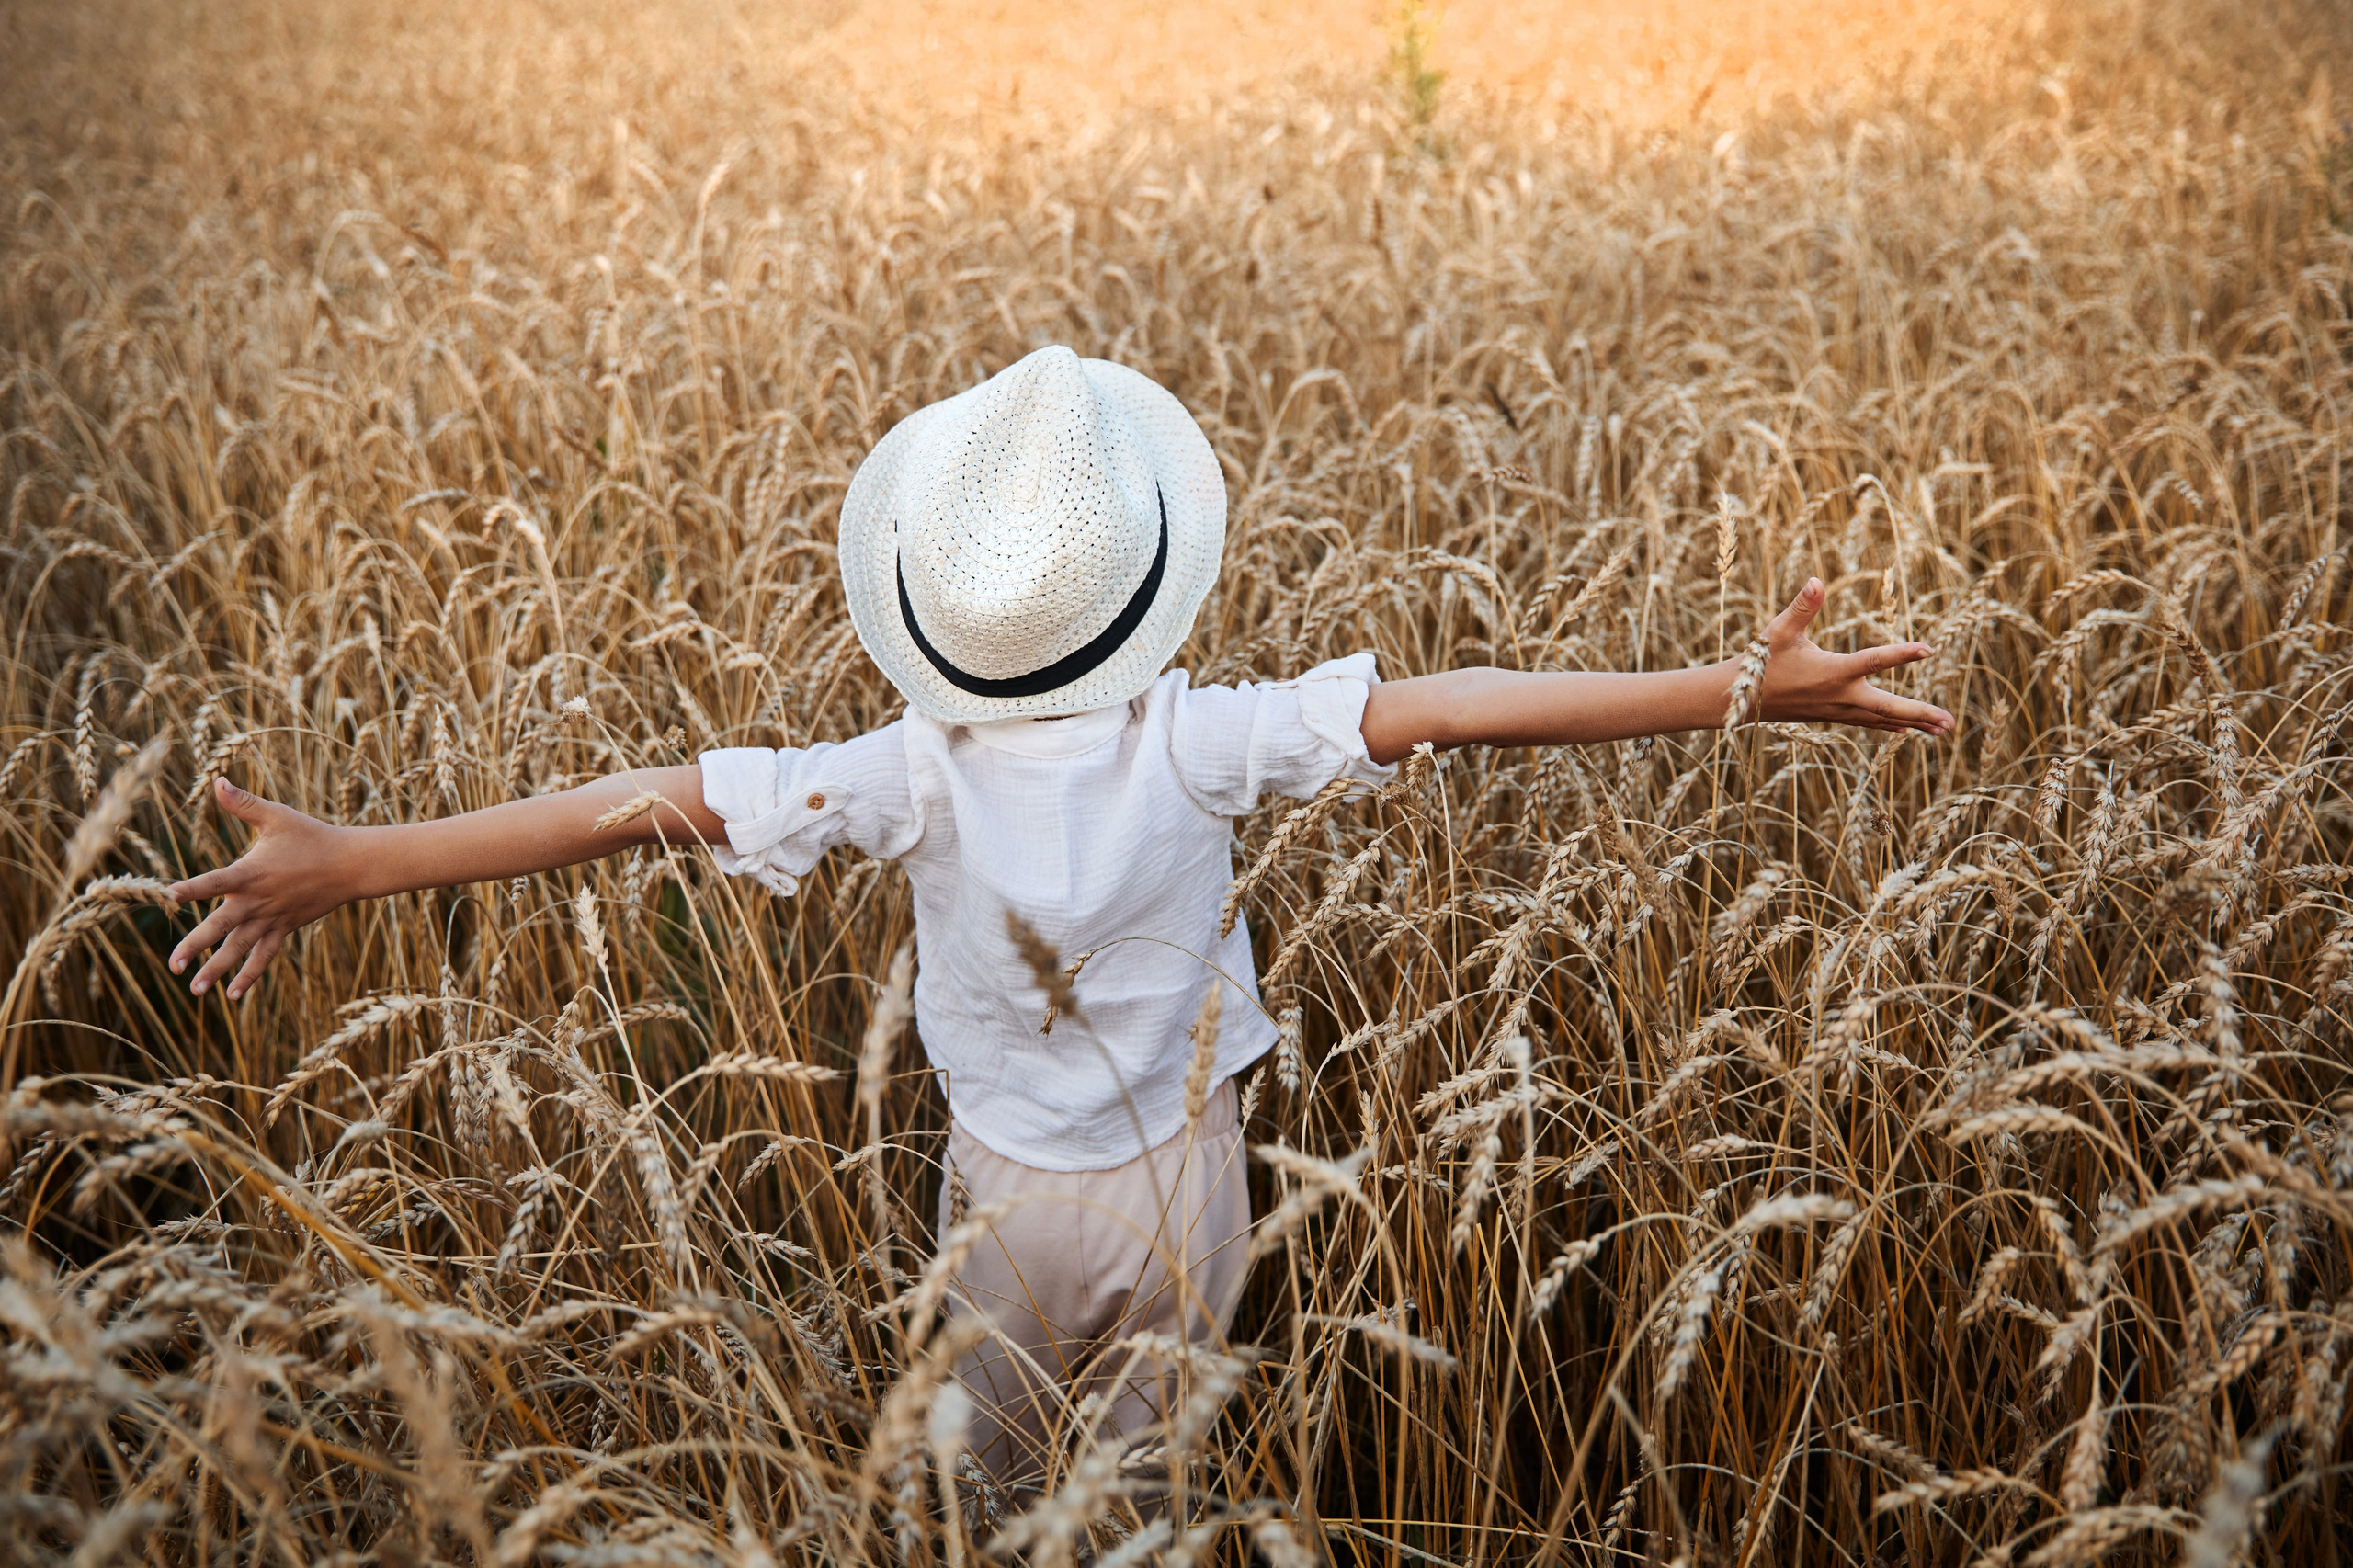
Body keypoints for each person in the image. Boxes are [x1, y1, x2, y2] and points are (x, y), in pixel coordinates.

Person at [165, 346, 1952, 1494]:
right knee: (1145, 1505)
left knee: (988, 1492)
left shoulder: (908, 770)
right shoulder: (1206, 735)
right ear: (1150, 588)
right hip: (1193, 1182)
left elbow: (635, 808)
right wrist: (1736, 686)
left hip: (997, 1204)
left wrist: (361, 860)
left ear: (941, 615)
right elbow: (1462, 699)